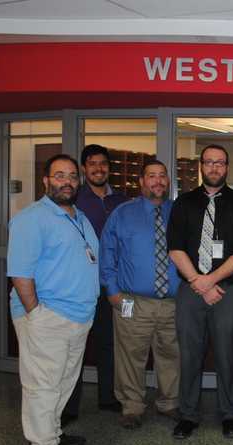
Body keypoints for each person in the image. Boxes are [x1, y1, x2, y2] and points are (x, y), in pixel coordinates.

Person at [8, 154, 100, 445]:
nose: (67, 182)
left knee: (63, 382)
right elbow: (20, 273)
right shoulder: (31, 218)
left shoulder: (80, 217)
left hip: (78, 316)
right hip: (47, 316)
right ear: (46, 181)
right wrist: (36, 313)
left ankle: (52, 434)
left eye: (73, 176)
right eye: (59, 176)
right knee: (43, 384)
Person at [167, 144, 233, 440]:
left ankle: (230, 413)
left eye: (220, 163)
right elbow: (175, 248)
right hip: (191, 290)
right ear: (201, 166)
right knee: (190, 354)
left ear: (227, 168)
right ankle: (188, 415)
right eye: (209, 162)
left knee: (228, 354)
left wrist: (211, 280)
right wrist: (198, 281)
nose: (214, 168)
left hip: (229, 291)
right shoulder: (184, 203)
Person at [100, 160, 181, 430]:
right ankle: (132, 406)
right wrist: (112, 293)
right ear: (141, 182)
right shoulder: (123, 214)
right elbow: (107, 254)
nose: (157, 181)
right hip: (132, 302)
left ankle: (169, 403)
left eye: (162, 176)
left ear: (168, 182)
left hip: (173, 303)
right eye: (151, 176)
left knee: (172, 355)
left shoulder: (179, 213)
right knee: (130, 356)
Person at [63, 144, 128, 424]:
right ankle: (69, 406)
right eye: (92, 163)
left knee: (108, 342)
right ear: (84, 169)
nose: (98, 168)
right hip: (79, 283)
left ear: (109, 168)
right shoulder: (74, 201)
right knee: (73, 346)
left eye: (103, 163)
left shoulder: (123, 201)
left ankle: (107, 397)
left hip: (111, 284)